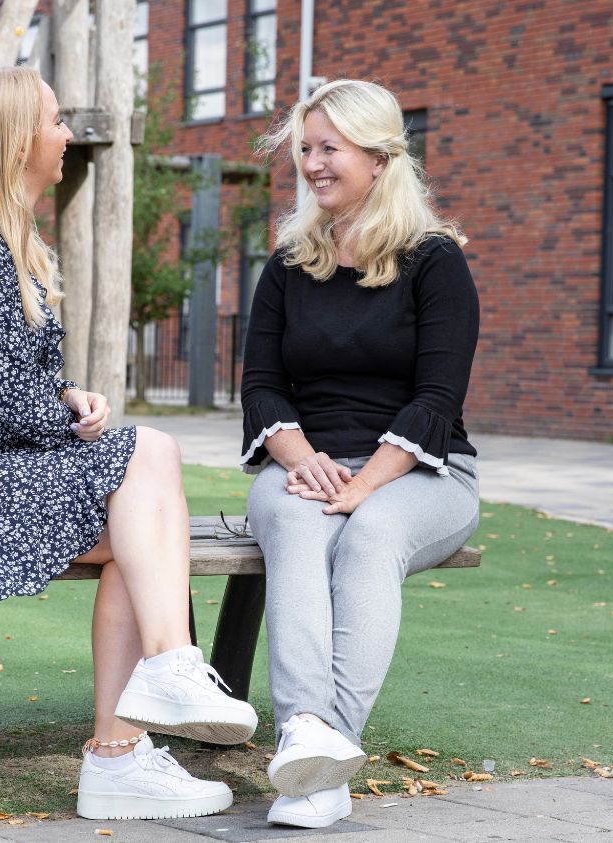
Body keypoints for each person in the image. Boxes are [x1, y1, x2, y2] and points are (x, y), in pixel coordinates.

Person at [0, 67, 256, 822]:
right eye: (54, 120)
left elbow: (13, 380)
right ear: (14, 144)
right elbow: (13, 401)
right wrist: (65, 414)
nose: (66, 133)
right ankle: (168, 674)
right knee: (148, 452)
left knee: (132, 528)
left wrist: (70, 393)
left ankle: (119, 753)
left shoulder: (10, 240)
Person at [240, 79, 481, 829]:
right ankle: (311, 748)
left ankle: (321, 750)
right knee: (295, 523)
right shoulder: (288, 263)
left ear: (378, 158)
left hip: (423, 470)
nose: (311, 164)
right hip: (306, 461)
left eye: (327, 148)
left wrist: (365, 482)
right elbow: (260, 385)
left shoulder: (435, 261)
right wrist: (302, 458)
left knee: (371, 533)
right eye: (304, 149)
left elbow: (436, 399)